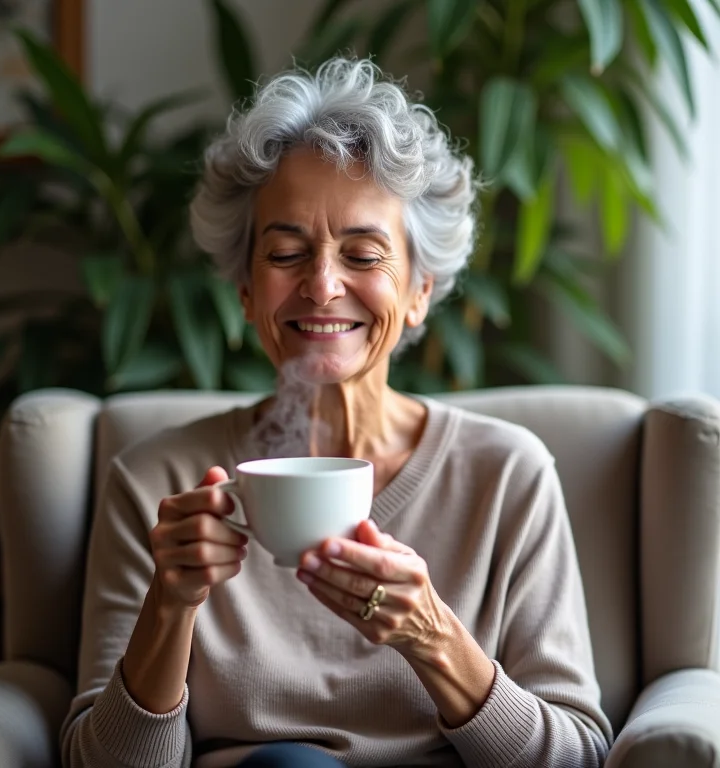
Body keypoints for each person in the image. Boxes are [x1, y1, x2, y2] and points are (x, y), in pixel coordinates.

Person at [61, 58, 613, 768]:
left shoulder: (507, 475)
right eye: (287, 253)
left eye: (363, 254)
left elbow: (577, 757)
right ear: (245, 293)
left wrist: (432, 636)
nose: (322, 286)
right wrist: (169, 604)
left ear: (418, 291)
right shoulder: (156, 483)